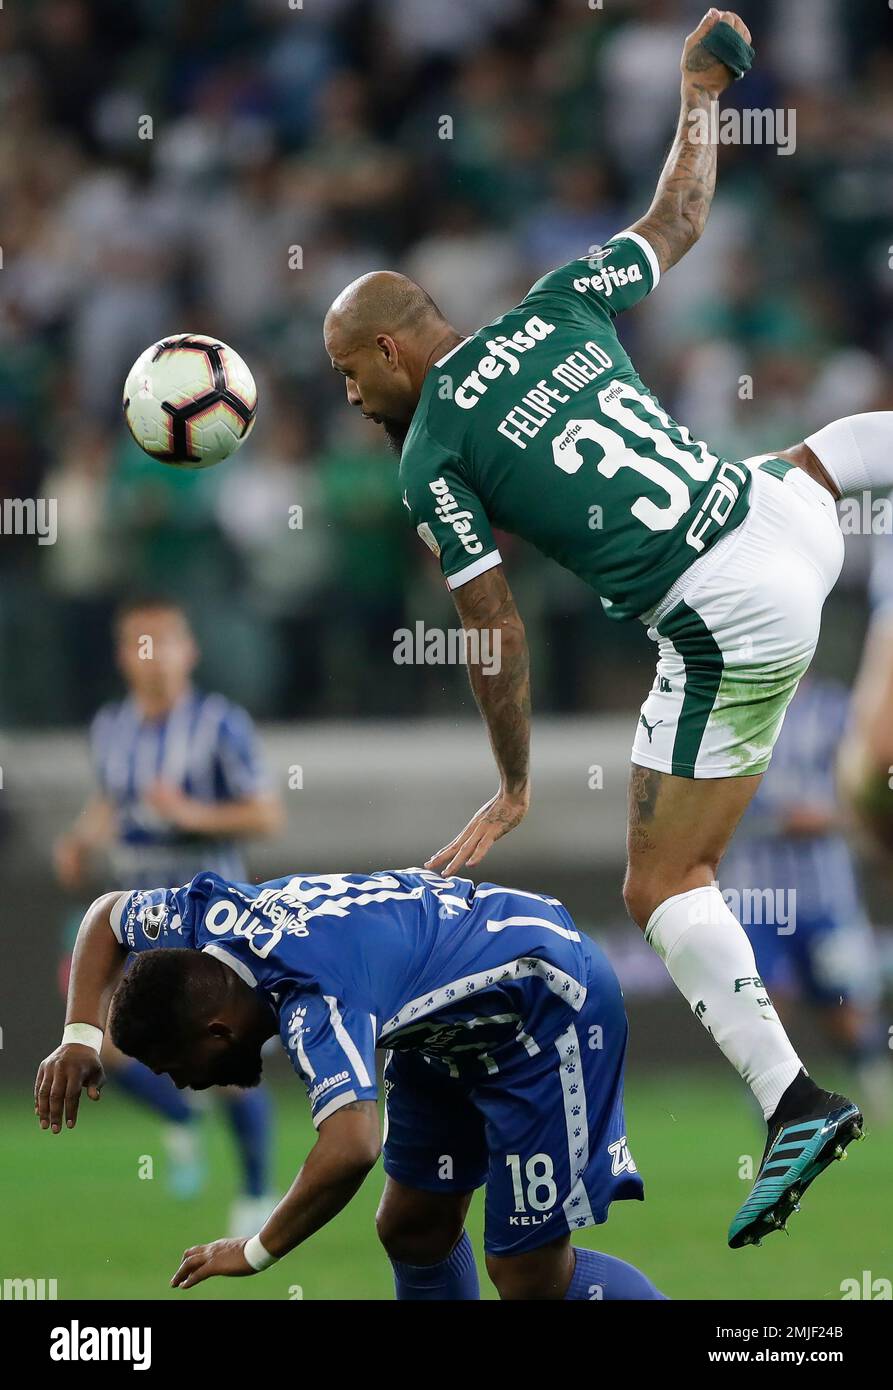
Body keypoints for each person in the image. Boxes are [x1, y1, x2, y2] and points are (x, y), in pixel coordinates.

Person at [322, 9, 876, 1247]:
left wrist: (512, 784)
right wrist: (699, 96)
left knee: (660, 879)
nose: (348, 396)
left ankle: (791, 1099)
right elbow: (678, 220)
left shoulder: (433, 452)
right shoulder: (556, 298)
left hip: (730, 608)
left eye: (349, 371)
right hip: (779, 506)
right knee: (845, 449)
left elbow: (495, 628)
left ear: (392, 346)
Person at [35, 867, 664, 1301]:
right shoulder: (210, 916)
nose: (188, 1086)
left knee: (527, 1277)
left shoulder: (314, 999)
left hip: (543, 1011)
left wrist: (255, 1249)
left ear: (219, 1032)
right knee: (413, 1228)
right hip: (440, 1028)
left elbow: (351, 1145)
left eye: (178, 1069)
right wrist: (79, 1036)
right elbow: (108, 915)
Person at [53, 595, 285, 1233]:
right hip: (136, 915)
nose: (152, 659)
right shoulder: (111, 728)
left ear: (190, 651)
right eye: (138, 644)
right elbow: (111, 798)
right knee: (96, 1034)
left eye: (165, 642)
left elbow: (266, 813)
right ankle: (180, 1116)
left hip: (211, 920)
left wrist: (191, 814)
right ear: (125, 656)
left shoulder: (219, 724)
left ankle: (257, 1195)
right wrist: (80, 839)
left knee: (227, 1051)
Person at [721, 677, 891, 1119]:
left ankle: (877, 1099)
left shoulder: (836, 711)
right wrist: (774, 818)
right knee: (764, 1001)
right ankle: (775, 1113)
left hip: (825, 894)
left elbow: (866, 782)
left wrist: (832, 815)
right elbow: (715, 792)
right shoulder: (739, 708)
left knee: (846, 1007)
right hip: (757, 896)